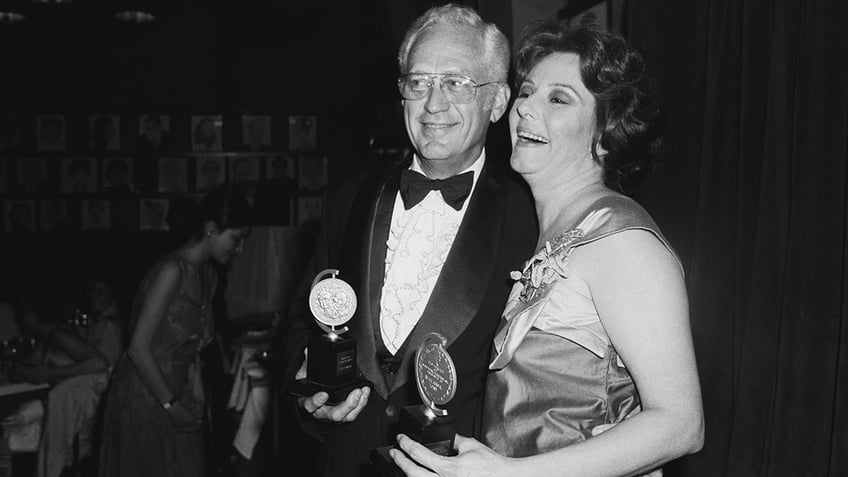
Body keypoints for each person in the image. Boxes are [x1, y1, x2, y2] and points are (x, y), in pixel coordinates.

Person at [389, 20, 704, 477]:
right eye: (527, 92)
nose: (526, 111)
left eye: (558, 99)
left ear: (606, 130)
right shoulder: (549, 237)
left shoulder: (620, 241)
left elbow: (681, 425)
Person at [280, 5, 537, 477]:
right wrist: (309, 394)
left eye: (456, 83)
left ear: (497, 102)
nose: (433, 104)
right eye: (419, 82)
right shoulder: (349, 199)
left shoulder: (531, 218)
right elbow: (302, 323)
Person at [98, 185, 253, 477]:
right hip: (144, 395)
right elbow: (138, 347)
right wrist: (170, 405)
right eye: (236, 238)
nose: (240, 249)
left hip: (178, 395)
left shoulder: (208, 275)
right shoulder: (171, 270)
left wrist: (195, 398)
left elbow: (194, 350)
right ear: (211, 228)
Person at [2, 274, 111, 477]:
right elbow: (32, 366)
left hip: (77, 409)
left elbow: (99, 362)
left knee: (10, 427)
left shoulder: (60, 335)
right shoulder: (47, 336)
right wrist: (22, 371)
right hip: (64, 405)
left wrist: (48, 373)